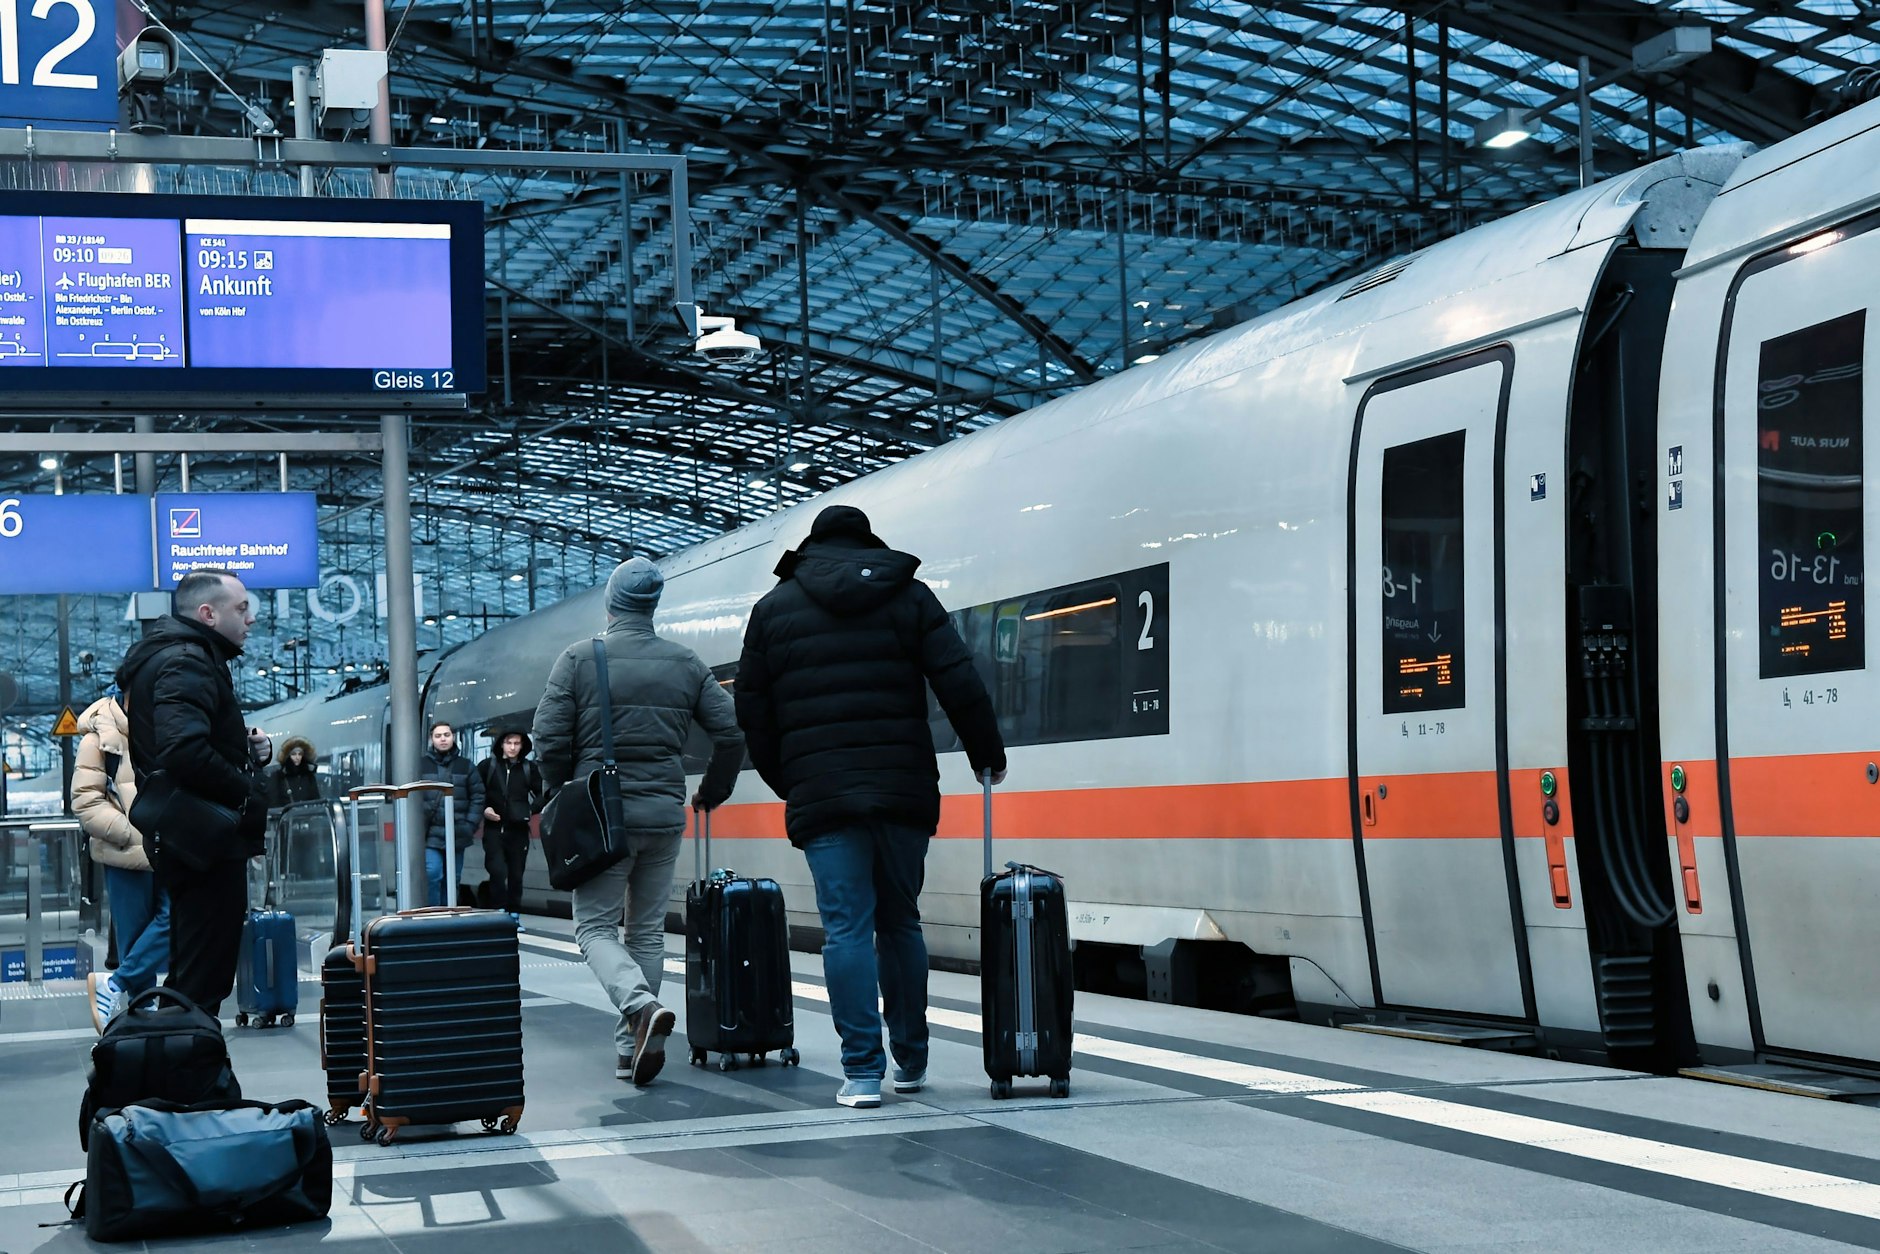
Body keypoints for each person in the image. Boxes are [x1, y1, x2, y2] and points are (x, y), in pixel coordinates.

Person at [735, 505, 1006, 1109]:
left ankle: (861, 1073)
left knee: (846, 929)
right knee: (900, 922)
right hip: (902, 787)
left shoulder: (774, 609)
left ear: (811, 547)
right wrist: (986, 752)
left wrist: (791, 780)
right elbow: (958, 677)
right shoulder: (908, 596)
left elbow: (753, 712)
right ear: (869, 542)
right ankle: (911, 1058)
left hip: (823, 792)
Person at [535, 557, 744, 1086]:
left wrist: (564, 789)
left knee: (594, 926)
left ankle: (639, 1008)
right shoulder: (686, 662)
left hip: (603, 818)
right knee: (646, 931)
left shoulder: (580, 658)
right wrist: (713, 790)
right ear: (652, 605)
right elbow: (731, 732)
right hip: (663, 815)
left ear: (611, 603)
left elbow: (549, 738)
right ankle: (632, 1048)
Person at [115, 568, 272, 1019]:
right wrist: (245, 791)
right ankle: (190, 1083)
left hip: (190, 837)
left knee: (191, 974)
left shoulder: (179, 655)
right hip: (205, 840)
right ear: (207, 613)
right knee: (203, 979)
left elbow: (187, 740)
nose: (250, 619)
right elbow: (183, 749)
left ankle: (185, 1073)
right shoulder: (187, 660)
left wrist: (247, 748)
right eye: (241, 609)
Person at [74, 689, 169, 1033]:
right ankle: (142, 1012)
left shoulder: (164, 729)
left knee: (175, 918)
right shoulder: (98, 737)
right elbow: (85, 801)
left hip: (168, 846)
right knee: (133, 934)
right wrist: (132, 834)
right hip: (124, 852)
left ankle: (113, 984)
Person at [476, 729, 544, 927]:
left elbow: (543, 793)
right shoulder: (487, 766)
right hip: (494, 829)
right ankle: (499, 912)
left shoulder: (528, 769)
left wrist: (530, 810)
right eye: (509, 743)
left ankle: (514, 915)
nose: (513, 747)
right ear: (501, 744)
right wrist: (485, 809)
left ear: (522, 745)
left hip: (519, 830)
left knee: (516, 874)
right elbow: (477, 793)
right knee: (497, 871)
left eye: (517, 743)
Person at [419, 722, 482, 908]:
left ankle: (449, 914)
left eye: (446, 734)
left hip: (457, 832)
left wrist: (469, 824)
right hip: (430, 832)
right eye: (438, 736)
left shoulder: (466, 766)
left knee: (452, 877)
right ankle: (434, 913)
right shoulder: (420, 766)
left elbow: (478, 795)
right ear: (432, 739)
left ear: (453, 737)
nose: (443, 739)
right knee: (433, 872)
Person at [267, 737, 321, 809]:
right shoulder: (278, 777)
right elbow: (274, 804)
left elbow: (316, 801)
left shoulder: (309, 776)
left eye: (300, 754)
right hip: (287, 818)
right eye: (293, 754)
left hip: (308, 817)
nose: (297, 757)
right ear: (287, 756)